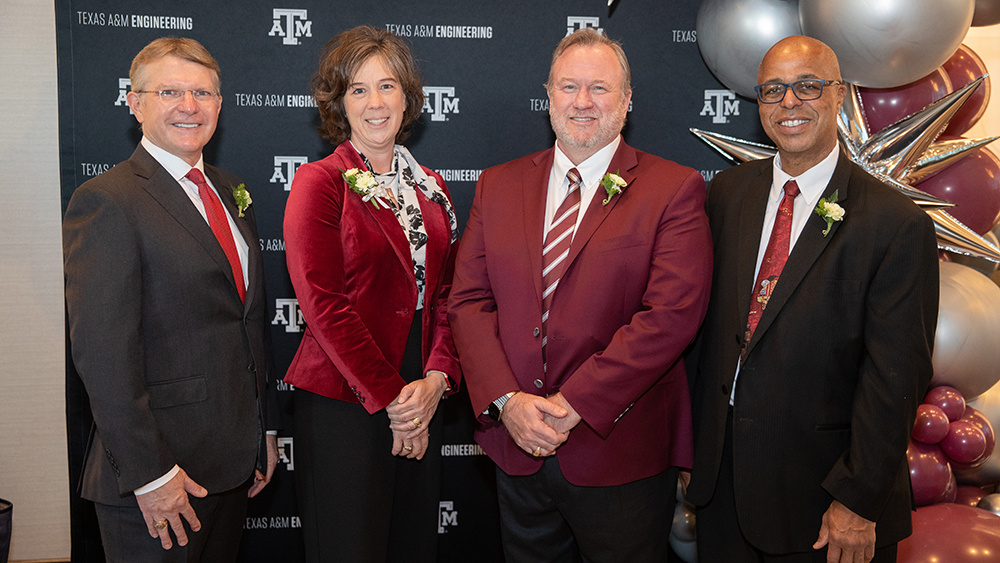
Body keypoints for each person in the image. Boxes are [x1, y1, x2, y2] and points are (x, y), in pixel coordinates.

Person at [448, 28, 712, 562]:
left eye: (600, 88)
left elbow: (671, 316)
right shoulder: (497, 185)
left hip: (621, 455)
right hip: (518, 449)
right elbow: (468, 302)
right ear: (548, 95)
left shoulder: (672, 188)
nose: (583, 102)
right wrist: (508, 402)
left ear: (627, 100)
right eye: (569, 87)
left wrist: (574, 404)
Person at [686, 36, 939, 563]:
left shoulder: (896, 224)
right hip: (723, 488)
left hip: (827, 503)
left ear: (839, 95)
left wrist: (858, 499)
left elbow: (896, 376)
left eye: (808, 86)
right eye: (773, 90)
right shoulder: (728, 194)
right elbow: (712, 333)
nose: (789, 103)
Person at [63, 37, 280, 561]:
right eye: (170, 92)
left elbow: (247, 325)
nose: (189, 105)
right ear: (135, 103)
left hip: (232, 466)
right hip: (159, 480)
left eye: (203, 92)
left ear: (220, 106)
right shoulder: (107, 201)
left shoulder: (233, 193)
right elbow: (103, 354)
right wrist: (150, 474)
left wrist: (263, 429)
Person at [282, 25, 461, 563]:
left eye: (387, 86)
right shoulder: (321, 181)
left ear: (408, 97)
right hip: (346, 397)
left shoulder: (431, 185)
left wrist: (436, 379)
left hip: (421, 393)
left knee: (412, 546)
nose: (375, 102)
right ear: (339, 103)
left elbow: (449, 294)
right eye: (358, 89)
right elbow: (322, 303)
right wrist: (394, 400)